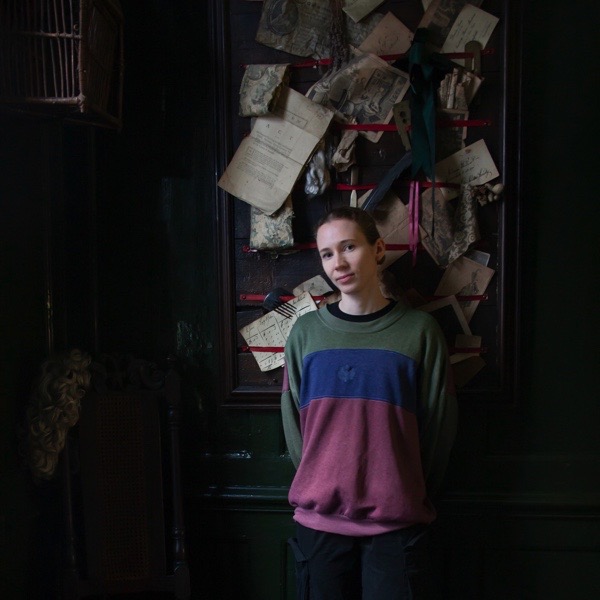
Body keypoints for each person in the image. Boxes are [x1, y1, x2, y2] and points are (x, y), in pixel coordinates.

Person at [281, 206, 458, 600]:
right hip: (319, 526)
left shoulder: (420, 332)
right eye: (327, 253)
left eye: (349, 247)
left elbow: (438, 429)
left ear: (378, 249)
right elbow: (294, 426)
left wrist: (402, 486)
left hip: (396, 527)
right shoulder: (305, 333)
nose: (339, 263)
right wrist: (321, 480)